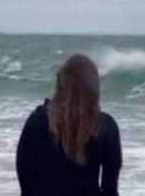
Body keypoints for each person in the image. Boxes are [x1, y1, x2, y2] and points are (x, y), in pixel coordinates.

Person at [16, 54, 122, 196]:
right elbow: (110, 188)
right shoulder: (104, 126)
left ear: (61, 82)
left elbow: (24, 172)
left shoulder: (37, 120)